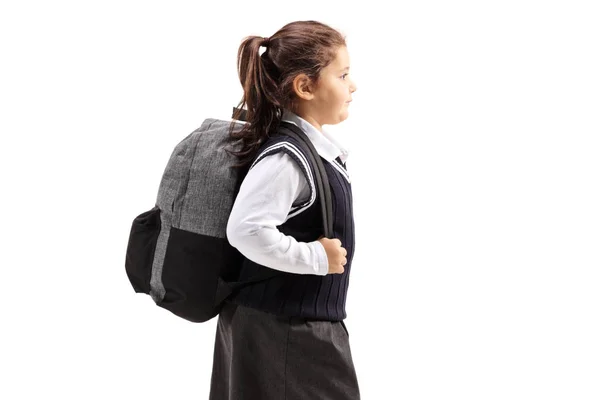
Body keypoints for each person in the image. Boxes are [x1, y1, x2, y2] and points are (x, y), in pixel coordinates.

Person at [209, 20, 359, 400]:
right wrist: (316, 256)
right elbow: (246, 229)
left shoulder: (311, 152)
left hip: (287, 328)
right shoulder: (287, 159)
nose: (352, 86)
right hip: (282, 332)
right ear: (305, 86)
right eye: (342, 76)